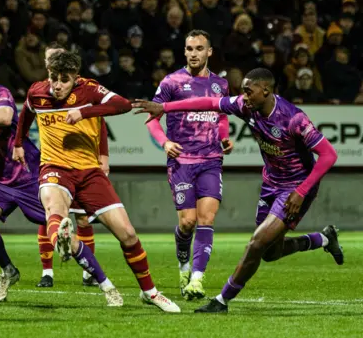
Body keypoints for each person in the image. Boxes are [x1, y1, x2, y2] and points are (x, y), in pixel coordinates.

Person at [133, 68, 344, 313]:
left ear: (265, 90)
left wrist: (302, 191)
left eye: (248, 91)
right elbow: (209, 103)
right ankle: (325, 238)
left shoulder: (293, 118)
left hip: (295, 188)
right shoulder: (246, 106)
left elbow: (329, 154)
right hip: (271, 183)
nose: (243, 97)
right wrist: (165, 108)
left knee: (256, 244)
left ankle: (221, 301)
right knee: (270, 252)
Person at [13, 51, 180, 312]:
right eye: (53, 78)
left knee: (128, 234)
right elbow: (26, 111)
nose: (56, 85)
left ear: (75, 79)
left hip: (90, 173)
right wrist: (18, 143)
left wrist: (85, 112)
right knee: (53, 209)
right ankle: (62, 243)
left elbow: (123, 105)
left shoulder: (88, 90)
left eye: (64, 80)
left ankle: (150, 292)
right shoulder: (37, 92)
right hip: (55, 168)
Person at [0, 55, 115, 304]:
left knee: (62, 231)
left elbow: (2, 117)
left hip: (29, 176)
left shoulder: (0, 94)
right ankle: (8, 272)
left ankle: (105, 284)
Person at [147, 30, 232, 300]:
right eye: (189, 48)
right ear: (184, 51)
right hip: (181, 160)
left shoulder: (220, 85)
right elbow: (152, 117)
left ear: (209, 52)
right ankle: (183, 263)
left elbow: (221, 117)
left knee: (206, 219)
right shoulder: (172, 82)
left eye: (198, 48)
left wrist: (225, 137)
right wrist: (164, 143)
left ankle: (196, 279)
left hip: (210, 160)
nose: (193, 53)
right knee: (188, 223)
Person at [36, 43, 108, 288]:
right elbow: (25, 117)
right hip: (54, 163)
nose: (52, 63)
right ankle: (48, 273)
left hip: (82, 163)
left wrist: (104, 157)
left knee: (84, 221)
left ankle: (89, 271)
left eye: (56, 58)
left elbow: (100, 122)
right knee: (48, 216)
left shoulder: (83, 88)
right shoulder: (39, 92)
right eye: (49, 60)